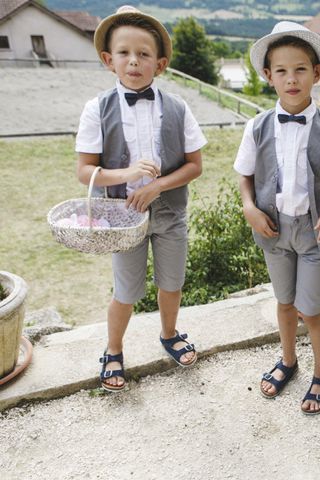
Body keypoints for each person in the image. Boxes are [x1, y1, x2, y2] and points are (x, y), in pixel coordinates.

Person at [75, 6, 207, 392]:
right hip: (122, 218)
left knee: (172, 282)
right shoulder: (96, 109)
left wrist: (157, 184)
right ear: (108, 60)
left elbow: (195, 165)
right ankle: (113, 349)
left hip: (169, 215)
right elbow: (86, 171)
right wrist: (128, 175)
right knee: (127, 290)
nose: (134, 61)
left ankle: (169, 333)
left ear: (160, 63)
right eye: (124, 53)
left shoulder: (179, 108)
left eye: (144, 54)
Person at [234, 21, 320, 414]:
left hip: (313, 236)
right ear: (268, 75)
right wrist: (249, 207)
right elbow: (245, 177)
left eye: (300, 69)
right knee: (284, 303)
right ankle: (289, 360)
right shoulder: (256, 127)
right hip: (273, 231)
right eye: (282, 71)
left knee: (311, 309)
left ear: (317, 73)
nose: (292, 79)